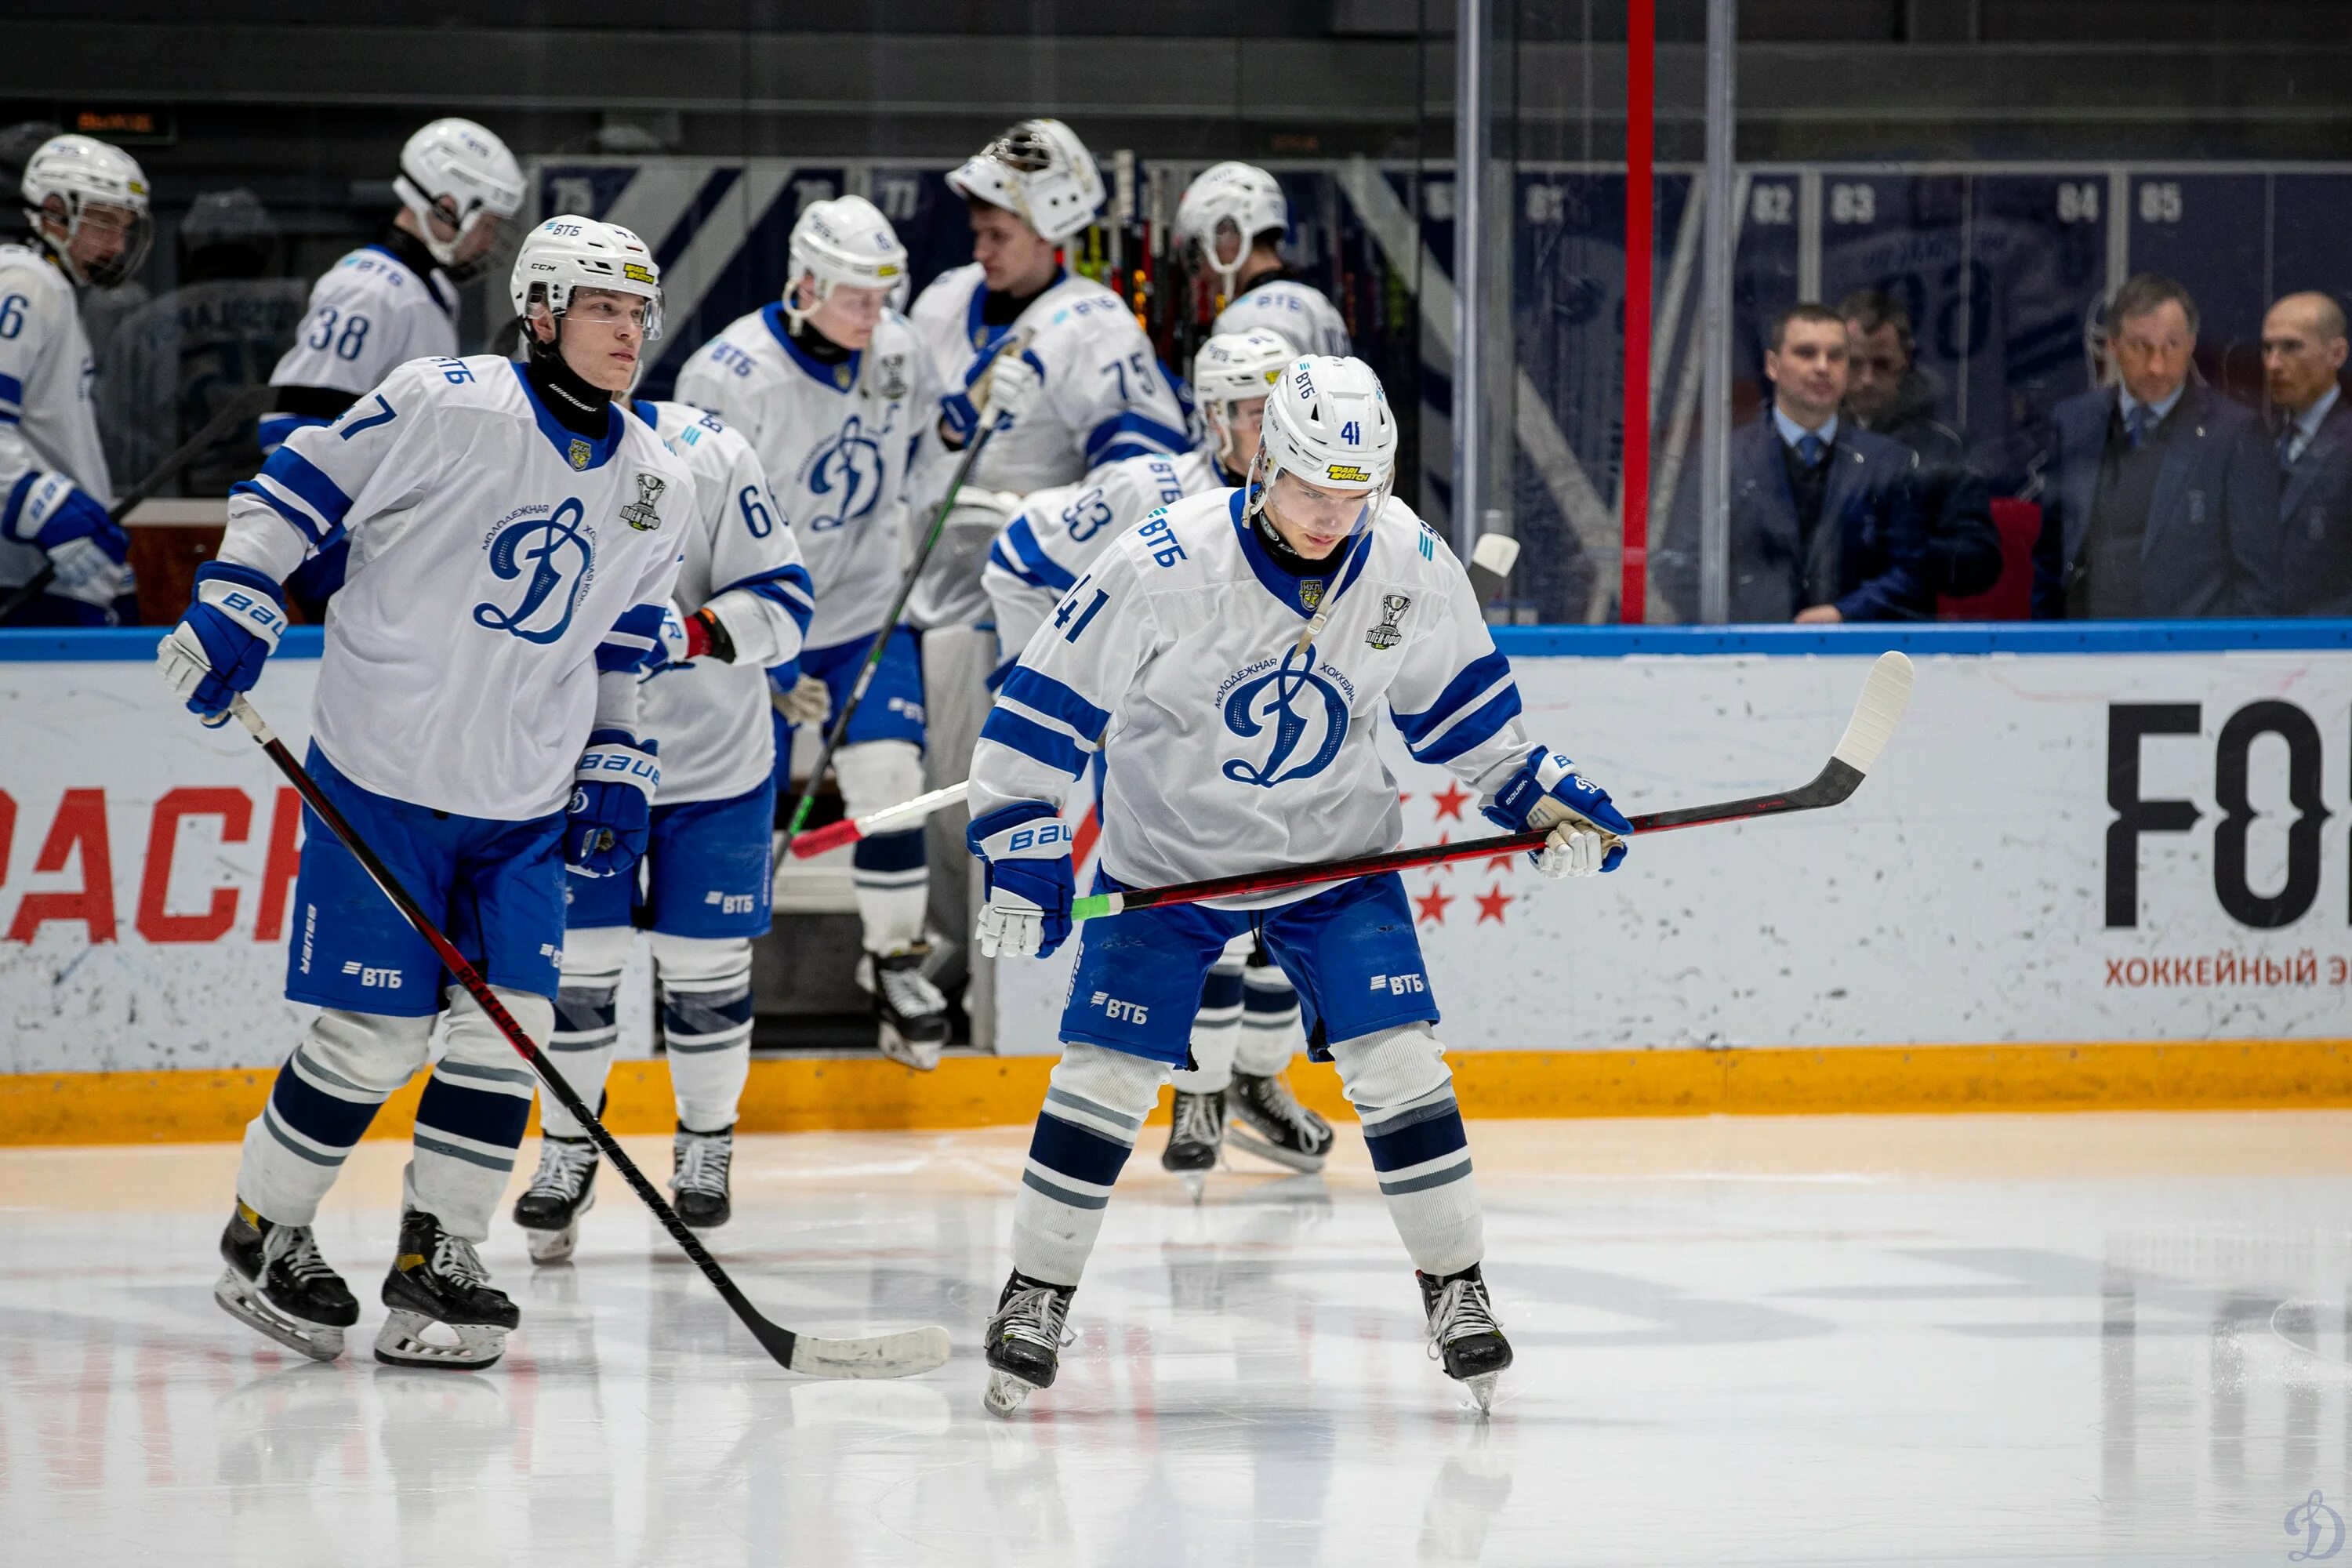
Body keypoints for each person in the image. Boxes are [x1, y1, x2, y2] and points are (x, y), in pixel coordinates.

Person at [964, 354, 1635, 1417]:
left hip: (1337, 863)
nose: (1334, 514)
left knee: (1403, 1063)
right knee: (1101, 1077)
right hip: (1172, 865)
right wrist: (1022, 833)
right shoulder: (1162, 559)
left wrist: (1540, 797)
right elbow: (1044, 708)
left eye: (1354, 491)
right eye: (1313, 486)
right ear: (1265, 460)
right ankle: (1034, 1295)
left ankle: (1457, 1290)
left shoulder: (1410, 557)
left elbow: (1468, 724)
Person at [158, 217, 690, 1370]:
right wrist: (243, 588)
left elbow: (630, 629)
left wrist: (618, 752)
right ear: (540, 311)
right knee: (371, 1036)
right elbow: (296, 486)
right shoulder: (447, 400)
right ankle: (263, 1233)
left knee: (513, 1034)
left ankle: (438, 1252)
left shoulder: (656, 476)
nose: (628, 332)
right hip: (386, 778)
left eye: (639, 312)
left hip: (525, 802)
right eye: (604, 307)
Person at [982, 328, 1338, 1185]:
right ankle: (1201, 1090)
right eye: (1253, 413)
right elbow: (1018, 559)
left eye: (1281, 410)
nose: (1273, 429)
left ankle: (1253, 1076)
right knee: (1207, 920)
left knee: (1291, 913)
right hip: (1170, 752)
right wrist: (1065, 682)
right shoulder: (1150, 490)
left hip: (1279, 745)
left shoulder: (1325, 502)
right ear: (1214, 419)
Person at [512, 396, 815, 1260]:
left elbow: (787, 603)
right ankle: (567, 1151)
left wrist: (688, 632)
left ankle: (706, 1144)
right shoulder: (503, 448)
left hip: (713, 763)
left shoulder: (710, 450)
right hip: (568, 758)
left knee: (704, 965)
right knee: (579, 966)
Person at [673, 194, 956, 1069]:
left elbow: (934, 443)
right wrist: (755, 665)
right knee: (734, 805)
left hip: (865, 612)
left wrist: (976, 409)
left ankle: (895, 959)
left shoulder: (900, 348)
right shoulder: (726, 375)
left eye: (884, 295)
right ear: (803, 283)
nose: (876, 317)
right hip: (754, 620)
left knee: (889, 776)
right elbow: (692, 536)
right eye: (856, 298)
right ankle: (706, 977)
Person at [903, 118, 1191, 629]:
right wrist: (950, 429)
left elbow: (1143, 479)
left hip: (1034, 606)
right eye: (977, 234)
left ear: (1048, 231)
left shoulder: (1097, 326)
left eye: (998, 236)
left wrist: (1032, 515)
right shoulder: (941, 302)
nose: (980, 252)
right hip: (920, 597)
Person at [260, 118, 525, 617]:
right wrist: (325, 555)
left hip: (399, 547)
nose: (488, 242)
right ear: (447, 206)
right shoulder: (368, 289)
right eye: (485, 223)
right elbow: (289, 421)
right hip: (356, 548)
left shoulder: (428, 290)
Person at [2033, 274, 2282, 619]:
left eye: (2172, 345)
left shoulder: (2234, 433)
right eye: (2141, 347)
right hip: (2087, 652)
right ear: (2113, 346)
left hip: (2191, 657)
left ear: (2192, 344)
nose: (2157, 366)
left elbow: (2258, 581)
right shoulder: (2075, 423)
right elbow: (2051, 556)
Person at [1659, 303, 1928, 623]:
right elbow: (1681, 571)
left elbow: (1912, 572)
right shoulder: (1719, 461)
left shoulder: (1889, 463)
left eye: (1837, 356)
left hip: (1856, 660)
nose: (1822, 367)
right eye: (1806, 353)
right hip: (1746, 662)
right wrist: (1750, 638)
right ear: (1773, 365)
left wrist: (1845, 614)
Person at [0, 132, 149, 626]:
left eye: (126, 227)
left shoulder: (52, 288)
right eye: (105, 221)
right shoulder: (24, 282)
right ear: (53, 210)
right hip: (26, 573)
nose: (118, 244)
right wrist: (44, 511)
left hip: (57, 571)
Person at [1838, 289, 2002, 601]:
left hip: (1907, 627)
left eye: (1882, 364)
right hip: (1818, 627)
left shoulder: (1946, 445)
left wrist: (1901, 546)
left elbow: (1980, 558)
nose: (1867, 379)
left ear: (1907, 359)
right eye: (1855, 364)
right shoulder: (1814, 438)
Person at [1176, 162, 1351, 358]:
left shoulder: (1243, 319)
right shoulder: (1318, 303)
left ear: (1228, 230)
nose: (1203, 269)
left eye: (1201, 247)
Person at [2261, 290, 2352, 616]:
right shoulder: (2260, 442)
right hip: (2259, 647)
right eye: (2267, 348)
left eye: (2292, 347)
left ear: (2337, 353)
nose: (2273, 364)